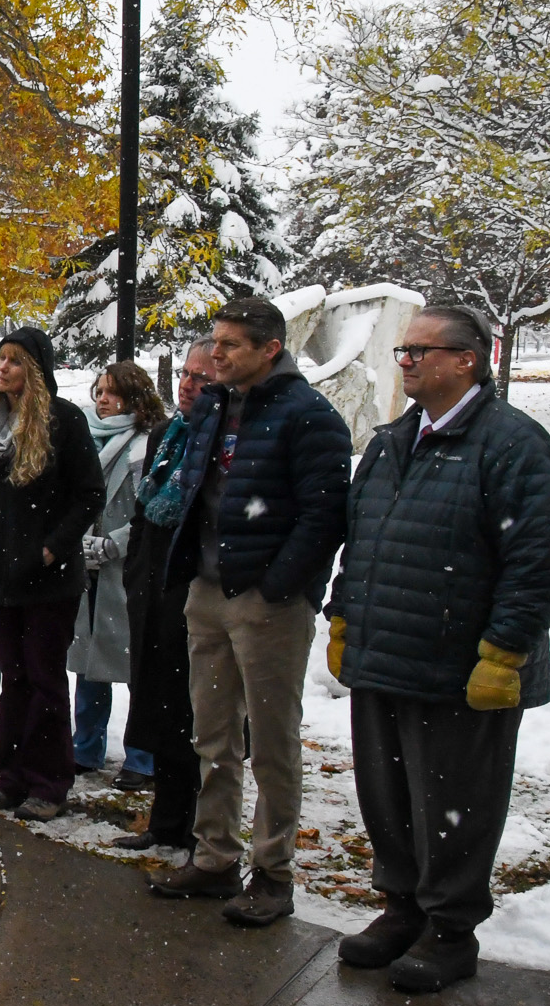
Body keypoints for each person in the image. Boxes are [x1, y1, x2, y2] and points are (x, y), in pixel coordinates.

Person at [325, 306, 550, 992]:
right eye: (402, 351)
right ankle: (401, 908)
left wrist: (504, 653)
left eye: (417, 351)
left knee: (454, 802)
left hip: (462, 670)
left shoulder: (513, 444)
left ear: (467, 359)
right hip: (385, 655)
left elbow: (538, 560)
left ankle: (450, 929)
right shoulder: (390, 441)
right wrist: (345, 616)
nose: (404, 361)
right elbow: (362, 538)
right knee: (389, 795)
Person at [148, 297, 350, 927]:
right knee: (212, 735)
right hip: (207, 591)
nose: (215, 355)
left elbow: (324, 517)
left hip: (267, 602)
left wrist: (277, 585)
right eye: (214, 342)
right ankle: (214, 857)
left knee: (272, 743)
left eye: (231, 345)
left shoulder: (309, 416)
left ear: (270, 349)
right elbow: (193, 490)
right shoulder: (214, 406)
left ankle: (273, 871)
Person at [0, 327, 105, 822]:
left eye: (15, 361)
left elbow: (90, 494)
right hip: (1, 576)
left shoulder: (63, 421)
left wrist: (49, 550)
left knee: (45, 680)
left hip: (48, 580)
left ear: (37, 372)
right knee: (15, 680)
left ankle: (49, 782)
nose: (2, 368)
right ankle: (11, 778)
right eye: (0, 359)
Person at [112, 339, 214, 853]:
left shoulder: (220, 441)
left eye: (203, 377)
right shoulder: (166, 438)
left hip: (193, 596)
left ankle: (199, 828)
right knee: (162, 710)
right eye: (186, 374)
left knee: (196, 720)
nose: (190, 384)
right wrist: (136, 578)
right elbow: (143, 514)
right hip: (151, 591)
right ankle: (166, 820)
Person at [69, 362, 164, 786]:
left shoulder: (147, 444)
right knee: (89, 661)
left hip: (127, 569)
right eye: (99, 391)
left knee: (133, 664)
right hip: (85, 565)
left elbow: (149, 507)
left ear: (133, 397)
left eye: (111, 392)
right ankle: (85, 747)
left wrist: (115, 543)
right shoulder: (86, 437)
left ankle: (142, 756)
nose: (102, 400)